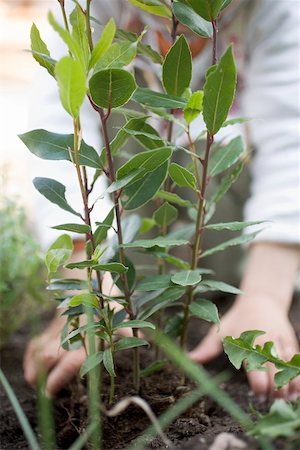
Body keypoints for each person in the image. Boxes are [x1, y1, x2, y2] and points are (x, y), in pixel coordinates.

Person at [23, 0, 300, 401]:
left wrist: (265, 295)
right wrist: (84, 291)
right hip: (127, 246)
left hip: (241, 242)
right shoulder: (90, 8)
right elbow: (64, 137)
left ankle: (235, 292)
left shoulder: (275, 11)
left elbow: (291, 149)